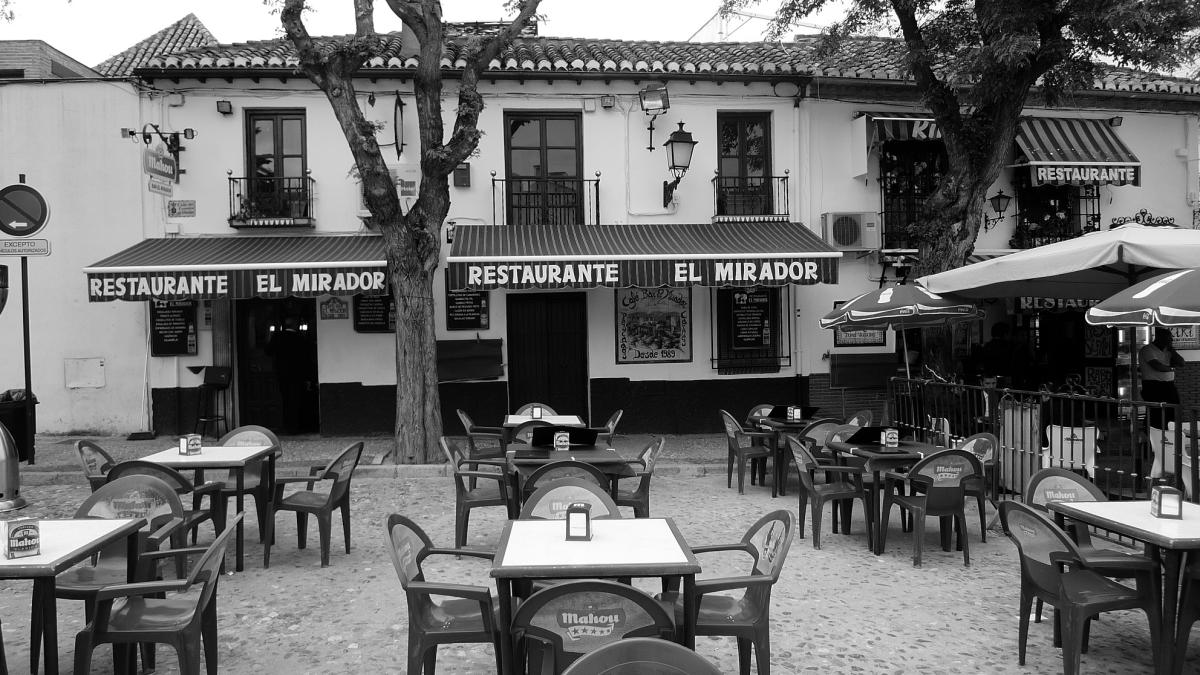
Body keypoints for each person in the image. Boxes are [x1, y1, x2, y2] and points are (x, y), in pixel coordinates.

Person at [1140, 327, 1185, 425]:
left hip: (1169, 385)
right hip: (1153, 386)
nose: (1171, 340)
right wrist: (1172, 368)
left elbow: (1181, 363)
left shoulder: (1168, 351)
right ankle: (1151, 434)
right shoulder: (1148, 349)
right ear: (1160, 338)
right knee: (1156, 413)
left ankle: (1170, 435)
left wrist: (1172, 351)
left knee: (1173, 411)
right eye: (1169, 338)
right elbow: (1157, 366)